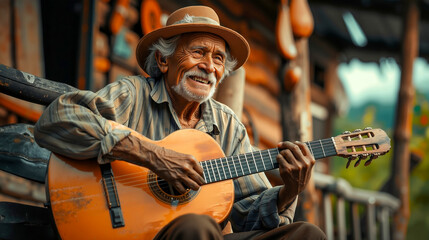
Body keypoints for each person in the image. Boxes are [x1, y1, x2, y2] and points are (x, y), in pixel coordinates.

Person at [34, 5, 326, 240]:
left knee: (306, 234)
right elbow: (58, 117)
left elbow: (247, 213)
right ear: (163, 61)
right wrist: (152, 155)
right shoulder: (133, 94)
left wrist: (289, 190)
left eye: (218, 58)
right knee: (197, 227)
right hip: (130, 231)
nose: (209, 66)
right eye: (198, 52)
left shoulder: (227, 125)